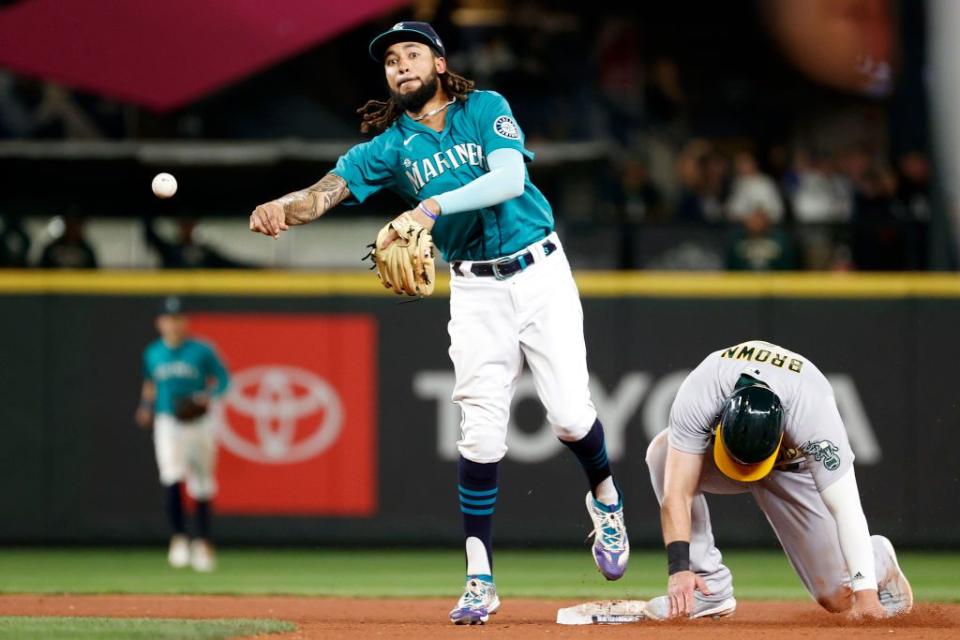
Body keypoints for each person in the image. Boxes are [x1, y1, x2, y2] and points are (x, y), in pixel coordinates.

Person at [249, 21, 629, 625]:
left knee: (568, 415)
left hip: (540, 274)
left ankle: (606, 500)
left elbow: (510, 178)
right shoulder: (391, 145)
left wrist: (428, 206)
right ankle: (480, 576)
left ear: (439, 62)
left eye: (412, 54)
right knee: (478, 435)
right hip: (475, 289)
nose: (400, 66)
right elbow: (330, 188)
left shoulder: (485, 108)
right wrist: (282, 210)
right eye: (391, 60)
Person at [643, 339, 912, 620]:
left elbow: (847, 510)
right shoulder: (704, 388)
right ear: (721, 420)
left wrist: (866, 596)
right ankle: (708, 590)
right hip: (724, 453)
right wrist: (679, 569)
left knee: (836, 597)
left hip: (793, 472)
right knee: (662, 453)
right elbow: (677, 492)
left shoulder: (815, 417)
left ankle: (877, 558)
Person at [135, 296, 230, 572]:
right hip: (168, 421)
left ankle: (203, 542)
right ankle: (179, 538)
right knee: (171, 476)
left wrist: (206, 397)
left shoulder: (202, 350)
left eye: (178, 318)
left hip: (199, 423)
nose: (173, 324)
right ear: (159, 323)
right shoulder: (153, 352)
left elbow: (223, 379)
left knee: (202, 481)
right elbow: (150, 382)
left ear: (185, 321)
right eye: (168, 319)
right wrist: (145, 406)